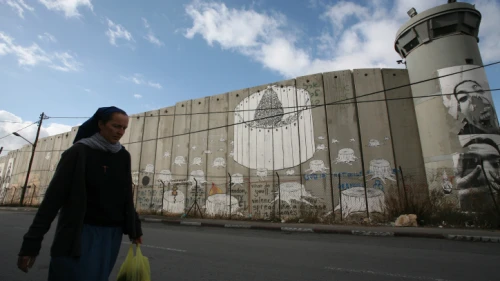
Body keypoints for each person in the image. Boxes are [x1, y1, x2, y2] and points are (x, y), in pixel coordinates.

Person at [17, 106, 143, 281]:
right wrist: (31, 244)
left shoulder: (123, 156)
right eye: (116, 126)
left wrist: (135, 228)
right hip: (80, 234)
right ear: (100, 124)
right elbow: (52, 201)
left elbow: (125, 196)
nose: (120, 132)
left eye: (124, 128)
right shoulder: (78, 152)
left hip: (111, 235)